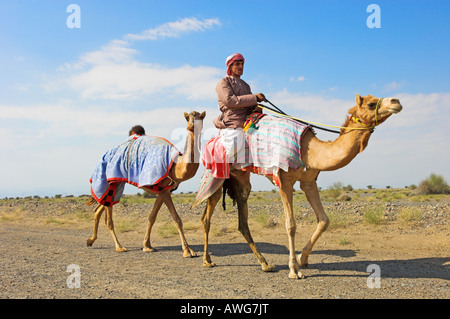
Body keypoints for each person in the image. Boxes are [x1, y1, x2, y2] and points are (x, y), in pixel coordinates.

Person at [213, 53, 266, 164]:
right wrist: (254, 97)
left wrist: (257, 107)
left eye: (242, 64)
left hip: (248, 124)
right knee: (233, 147)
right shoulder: (224, 82)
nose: (241, 67)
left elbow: (250, 105)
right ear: (230, 67)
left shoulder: (246, 85)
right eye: (237, 64)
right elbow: (230, 101)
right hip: (233, 123)